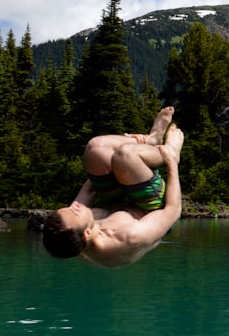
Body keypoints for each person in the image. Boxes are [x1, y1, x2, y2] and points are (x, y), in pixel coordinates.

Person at [42, 107, 185, 268]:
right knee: (125, 155)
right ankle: (167, 150)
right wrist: (172, 161)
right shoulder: (130, 237)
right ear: (87, 234)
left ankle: (151, 141)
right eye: (75, 210)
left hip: (117, 204)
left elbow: (90, 188)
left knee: (96, 148)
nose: (75, 205)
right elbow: (173, 210)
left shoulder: (72, 230)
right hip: (152, 209)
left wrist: (109, 169)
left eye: (68, 208)